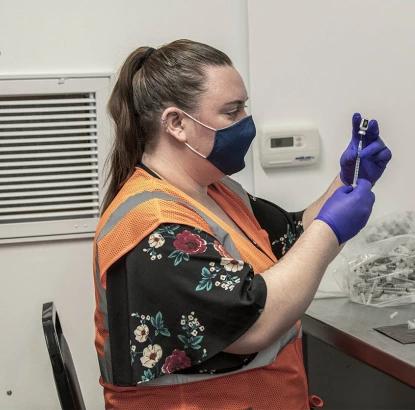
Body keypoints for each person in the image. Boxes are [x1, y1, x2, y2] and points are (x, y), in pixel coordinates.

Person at [93, 39, 392, 410]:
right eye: (231, 112)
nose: (245, 124)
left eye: (244, 108)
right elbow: (253, 323)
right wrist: (332, 229)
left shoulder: (216, 192)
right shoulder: (153, 227)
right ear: (176, 123)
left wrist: (349, 182)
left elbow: (293, 242)